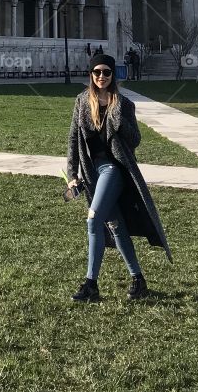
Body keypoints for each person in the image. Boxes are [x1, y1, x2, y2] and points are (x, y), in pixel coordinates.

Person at [66, 53, 171, 302]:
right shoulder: (82, 101)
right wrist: (72, 174)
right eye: (97, 72)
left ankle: (91, 284)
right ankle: (139, 280)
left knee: (93, 221)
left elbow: (135, 140)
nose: (101, 77)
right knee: (115, 226)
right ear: (91, 75)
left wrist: (119, 119)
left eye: (106, 72)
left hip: (114, 170)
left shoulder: (123, 103)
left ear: (113, 75)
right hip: (94, 173)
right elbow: (72, 139)